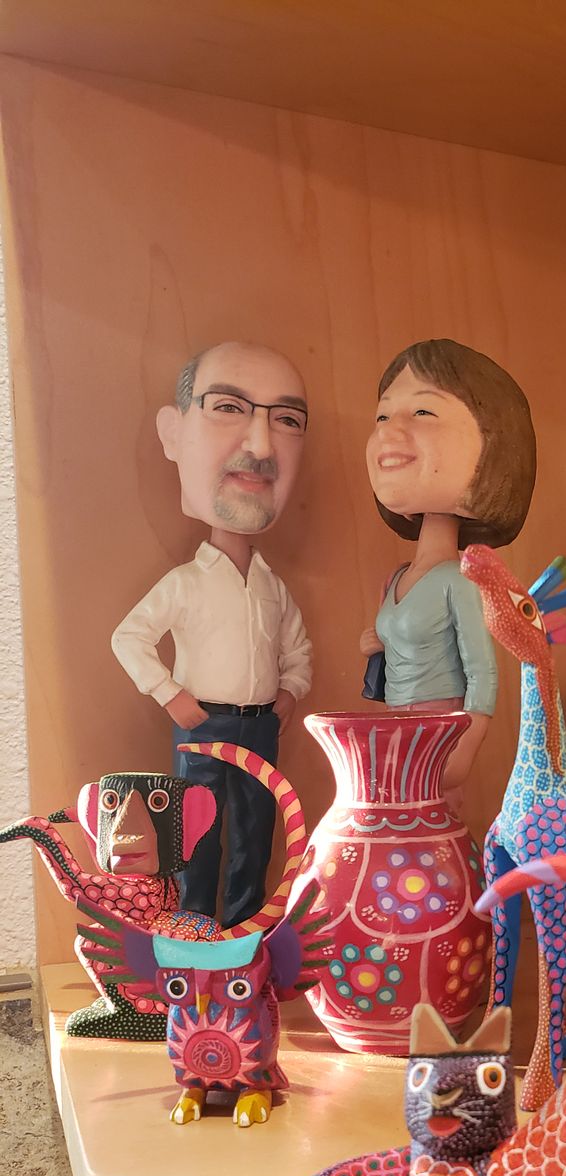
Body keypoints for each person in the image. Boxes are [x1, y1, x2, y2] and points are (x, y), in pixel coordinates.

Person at [112, 341, 313, 926]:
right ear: (173, 432)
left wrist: (290, 692)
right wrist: (169, 694)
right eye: (227, 407)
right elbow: (129, 637)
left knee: (256, 826)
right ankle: (194, 922)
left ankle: (245, 924)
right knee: (195, 828)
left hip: (261, 725)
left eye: (287, 420)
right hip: (202, 721)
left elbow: (298, 648)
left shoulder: (272, 585)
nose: (261, 444)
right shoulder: (185, 583)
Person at [360, 338, 536, 804]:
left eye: (423, 412)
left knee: (437, 818)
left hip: (440, 728)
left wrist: (467, 743)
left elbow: (483, 671)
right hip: (394, 721)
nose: (389, 432)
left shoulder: (459, 580)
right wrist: (376, 641)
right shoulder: (397, 578)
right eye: (382, 416)